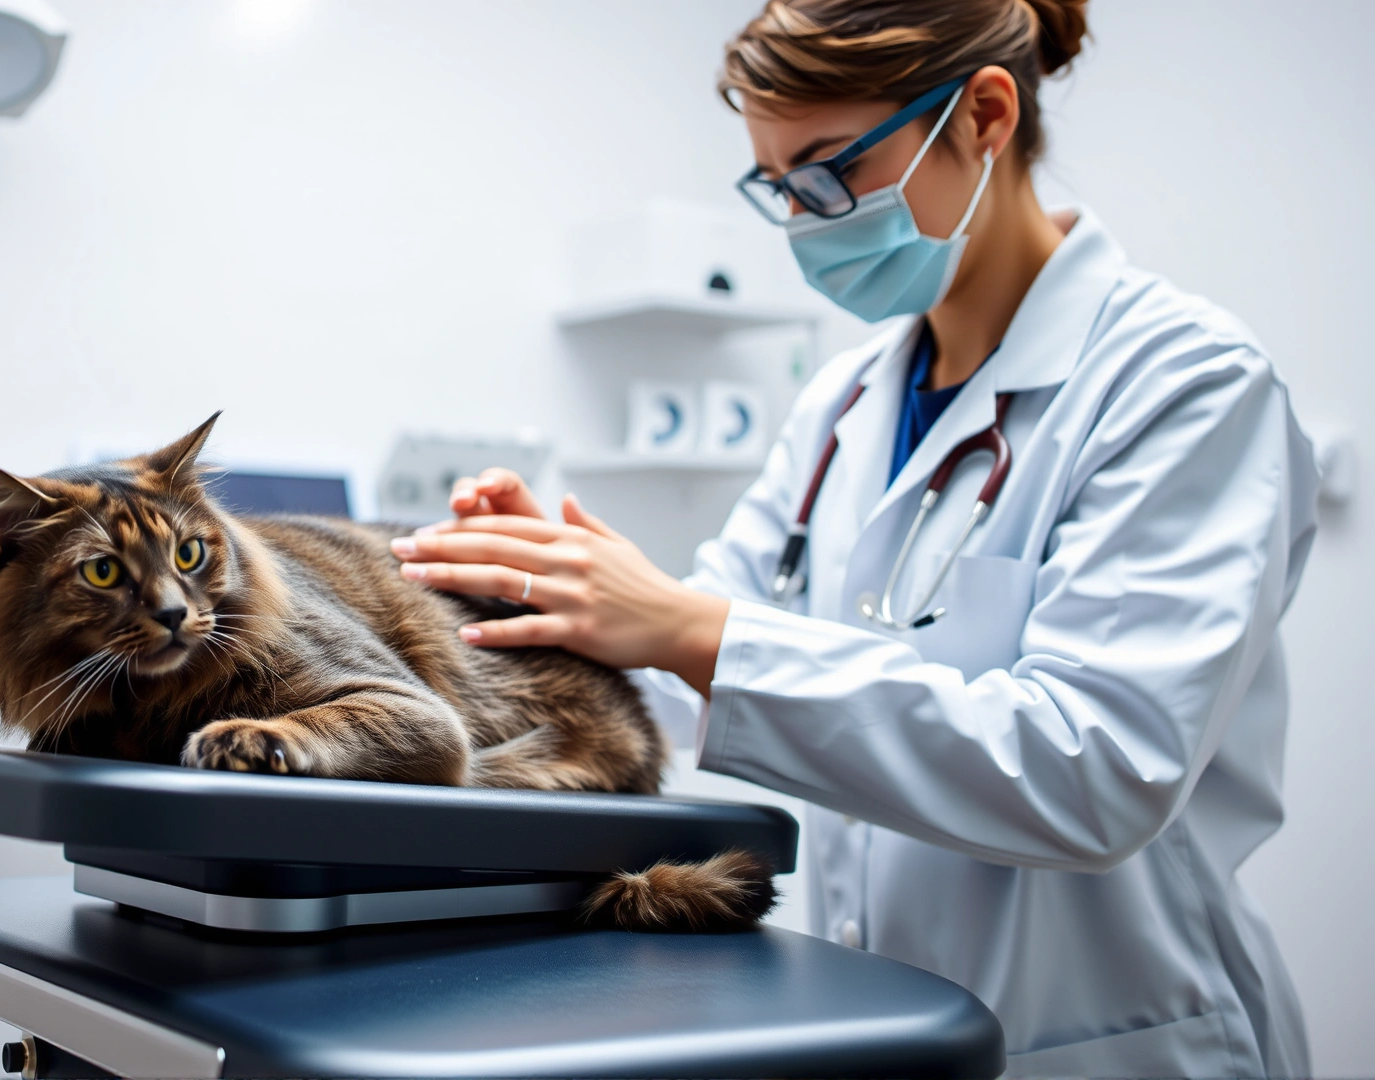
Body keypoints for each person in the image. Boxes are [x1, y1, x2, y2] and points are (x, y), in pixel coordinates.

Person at [387, 0, 1317, 1075]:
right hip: (879, 1019)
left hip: (1112, 1039)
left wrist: (691, 629)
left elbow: (1095, 768)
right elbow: (705, 665)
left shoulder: (1184, 383)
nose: (804, 220)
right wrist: (559, 593)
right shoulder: (846, 401)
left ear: (983, 114)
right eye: (778, 186)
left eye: (831, 173)